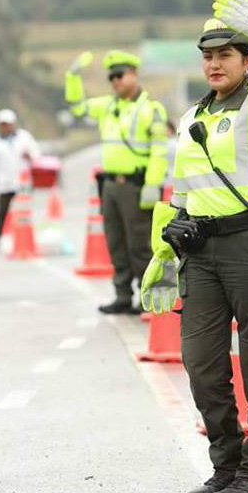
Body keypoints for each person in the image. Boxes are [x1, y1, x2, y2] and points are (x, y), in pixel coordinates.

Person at [141, 0, 248, 493]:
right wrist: (164, 253)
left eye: (225, 54)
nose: (213, 64)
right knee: (202, 366)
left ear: (246, 60)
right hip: (200, 255)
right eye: (207, 56)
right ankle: (225, 468)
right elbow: (178, 192)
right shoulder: (190, 120)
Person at [65, 50, 169, 314]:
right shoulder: (108, 106)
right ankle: (122, 295)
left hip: (136, 186)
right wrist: (73, 77)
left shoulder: (151, 110)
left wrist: (152, 184)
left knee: (140, 246)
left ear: (133, 74)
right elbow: (78, 107)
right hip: (110, 186)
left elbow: (159, 150)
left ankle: (145, 299)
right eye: (111, 77)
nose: (115, 81)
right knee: (116, 243)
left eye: (120, 75)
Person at [0, 108, 40, 252]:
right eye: (2, 124)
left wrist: (30, 155)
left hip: (23, 184)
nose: (5, 127)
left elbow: (36, 154)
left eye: (7, 124)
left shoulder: (24, 137)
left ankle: (26, 240)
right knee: (1, 214)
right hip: (4, 183)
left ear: (13, 124)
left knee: (25, 213)